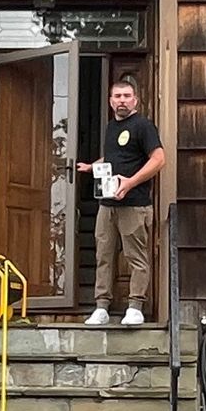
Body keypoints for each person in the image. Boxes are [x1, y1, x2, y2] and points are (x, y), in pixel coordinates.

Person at [76, 76, 164, 326]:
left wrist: (130, 182)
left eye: (127, 96)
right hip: (107, 204)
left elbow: (158, 159)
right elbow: (114, 157)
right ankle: (101, 306)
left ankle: (135, 307)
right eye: (117, 96)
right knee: (103, 256)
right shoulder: (111, 127)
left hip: (134, 204)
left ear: (135, 99)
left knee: (136, 258)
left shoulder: (144, 126)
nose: (122, 100)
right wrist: (92, 167)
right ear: (110, 101)